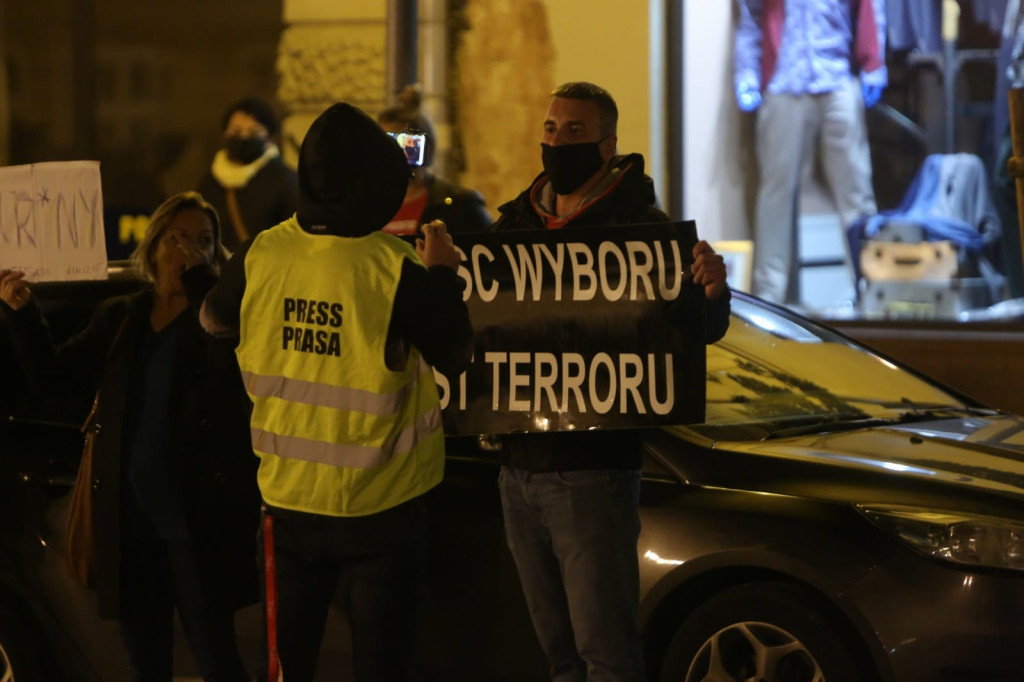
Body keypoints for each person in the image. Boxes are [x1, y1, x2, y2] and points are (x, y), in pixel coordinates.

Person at [199, 101, 474, 682]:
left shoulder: (262, 253)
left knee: (285, 666)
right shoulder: (395, 268)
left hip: (287, 503)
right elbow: (456, 351)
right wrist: (444, 275)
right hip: (384, 507)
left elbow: (213, 323)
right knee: (382, 666)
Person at [491, 81, 731, 682]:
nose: (556, 141)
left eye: (574, 131)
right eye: (550, 129)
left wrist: (711, 290)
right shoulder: (513, 225)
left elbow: (690, 332)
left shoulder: (643, 230)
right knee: (557, 651)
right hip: (518, 467)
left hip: (593, 468)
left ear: (608, 145)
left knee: (606, 650)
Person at [0, 192, 260, 682]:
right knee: (146, 661)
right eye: (180, 238)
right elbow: (55, 379)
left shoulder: (219, 324)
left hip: (195, 529)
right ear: (156, 244)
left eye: (204, 241)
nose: (191, 250)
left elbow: (232, 380)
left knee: (216, 655)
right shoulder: (123, 317)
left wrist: (206, 285)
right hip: (131, 526)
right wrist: (23, 312)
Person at [734, 0, 887, 304]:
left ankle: (870, 286)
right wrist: (747, 73)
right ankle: (770, 295)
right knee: (775, 196)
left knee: (856, 192)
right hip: (784, 81)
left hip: (836, 77)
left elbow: (870, 8)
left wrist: (873, 63)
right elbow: (750, 18)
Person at [377, 84, 492, 235]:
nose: (395, 155)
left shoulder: (460, 205)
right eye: (385, 144)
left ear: (426, 149)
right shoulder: (366, 206)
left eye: (407, 145)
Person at [197, 96, 299, 252]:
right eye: (236, 131)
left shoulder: (285, 181)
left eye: (253, 131)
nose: (244, 137)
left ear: (269, 137)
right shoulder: (211, 181)